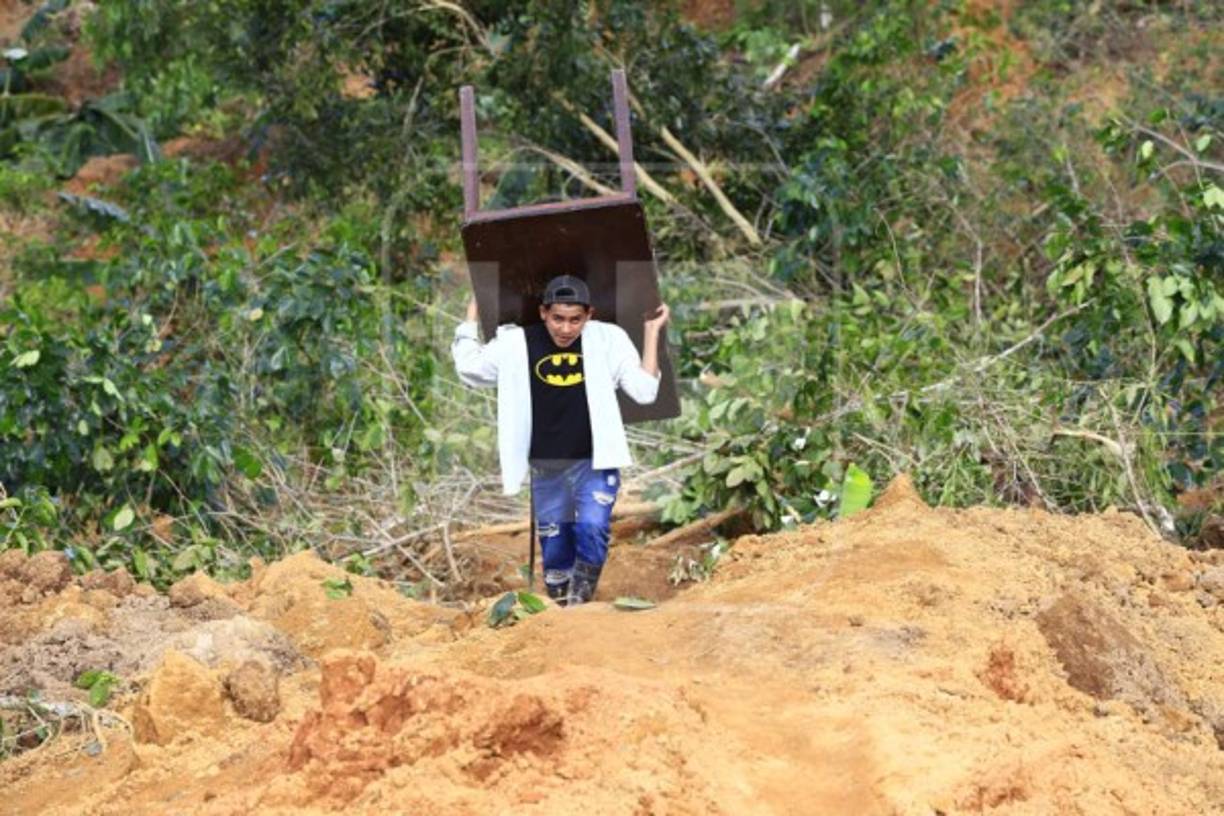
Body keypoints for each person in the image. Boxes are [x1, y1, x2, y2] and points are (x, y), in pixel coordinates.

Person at [452, 275, 670, 605]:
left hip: (594, 461)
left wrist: (652, 333)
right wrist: (471, 315)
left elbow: (645, 391)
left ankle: (580, 608)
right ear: (543, 313)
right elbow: (469, 368)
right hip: (546, 465)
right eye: (558, 319)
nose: (566, 329)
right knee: (555, 550)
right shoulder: (516, 344)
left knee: (593, 528)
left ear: (589, 315)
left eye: (575, 320)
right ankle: (559, 610)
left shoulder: (608, 339)